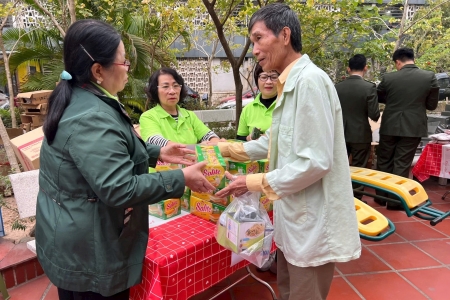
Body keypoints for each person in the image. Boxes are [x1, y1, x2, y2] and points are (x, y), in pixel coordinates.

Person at [36, 20, 215, 300]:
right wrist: (181, 178)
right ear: (98, 70)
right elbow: (118, 188)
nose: (128, 71)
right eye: (124, 63)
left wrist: (157, 152)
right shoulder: (91, 116)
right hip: (89, 247)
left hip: (75, 234)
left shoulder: (85, 98)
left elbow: (107, 153)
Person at [214, 4, 361, 300]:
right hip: (294, 220)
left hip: (312, 223)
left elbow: (316, 161)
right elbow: (274, 142)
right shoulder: (288, 83)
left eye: (258, 39)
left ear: (284, 35)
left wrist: (251, 183)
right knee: (287, 291)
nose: (254, 50)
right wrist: (224, 149)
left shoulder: (309, 82)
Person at [376, 47, 439, 209]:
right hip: (413, 126)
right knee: (402, 163)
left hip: (390, 124)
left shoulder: (388, 78)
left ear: (398, 62)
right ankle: (395, 201)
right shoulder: (429, 77)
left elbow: (379, 97)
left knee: (384, 161)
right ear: (412, 58)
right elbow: (432, 105)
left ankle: (381, 197)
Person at [140, 67, 221, 146]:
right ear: (155, 90)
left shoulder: (189, 116)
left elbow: (210, 136)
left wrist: (214, 142)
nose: (172, 91)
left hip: (196, 159)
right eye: (165, 86)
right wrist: (198, 147)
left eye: (176, 86)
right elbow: (156, 142)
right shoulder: (148, 117)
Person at [335, 54, 380, 169]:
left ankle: (342, 187)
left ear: (348, 69)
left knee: (339, 168)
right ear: (365, 68)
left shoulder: (337, 87)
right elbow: (374, 115)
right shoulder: (369, 87)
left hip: (339, 133)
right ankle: (357, 188)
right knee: (360, 168)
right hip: (361, 134)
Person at [236, 63, 278, 141]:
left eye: (274, 77)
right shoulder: (247, 109)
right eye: (264, 77)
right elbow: (239, 138)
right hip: (255, 152)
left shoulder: (287, 105)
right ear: (257, 80)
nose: (268, 82)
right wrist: (249, 138)